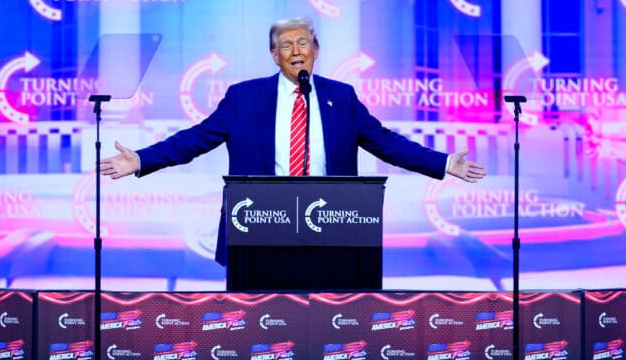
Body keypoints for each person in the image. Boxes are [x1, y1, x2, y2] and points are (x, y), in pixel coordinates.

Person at [99, 15, 488, 266]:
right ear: (274, 55)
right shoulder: (244, 97)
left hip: (331, 223)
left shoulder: (342, 97)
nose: (296, 50)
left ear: (316, 52)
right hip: (260, 223)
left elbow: (385, 142)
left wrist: (442, 163)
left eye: (303, 43)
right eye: (286, 45)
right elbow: (196, 138)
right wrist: (142, 160)